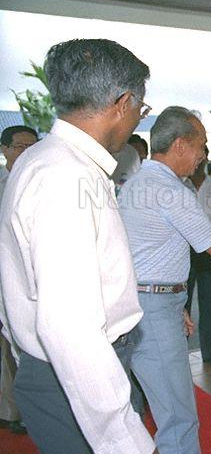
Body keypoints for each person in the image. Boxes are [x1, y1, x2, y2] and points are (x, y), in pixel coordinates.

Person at [0, 38, 155, 453]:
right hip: (78, 379)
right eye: (143, 107)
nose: (140, 118)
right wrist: (128, 441)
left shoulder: (44, 160)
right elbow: (69, 327)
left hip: (61, 373)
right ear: (123, 102)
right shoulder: (67, 176)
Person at [119, 107, 211, 454]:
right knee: (178, 416)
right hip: (153, 309)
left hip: (146, 301)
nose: (204, 155)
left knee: (154, 405)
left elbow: (142, 253)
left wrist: (173, 305)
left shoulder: (139, 183)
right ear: (181, 144)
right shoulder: (170, 189)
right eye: (202, 144)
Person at [0, 125, 37, 436]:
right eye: (20, 146)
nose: (27, 151)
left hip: (32, 281)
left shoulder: (41, 183)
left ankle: (25, 410)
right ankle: (11, 410)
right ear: (4, 150)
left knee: (25, 345)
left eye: (32, 145)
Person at [184, 147, 211, 367]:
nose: (198, 162)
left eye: (202, 158)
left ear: (206, 159)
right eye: (196, 157)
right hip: (185, 252)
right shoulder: (179, 186)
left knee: (210, 305)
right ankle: (181, 355)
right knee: (183, 304)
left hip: (210, 251)